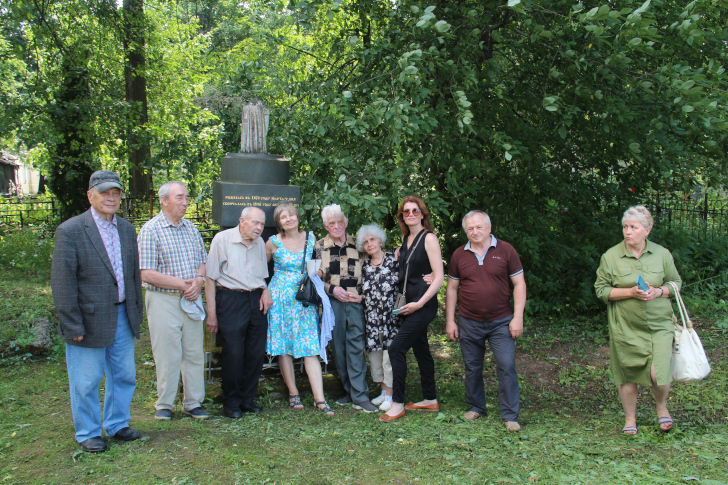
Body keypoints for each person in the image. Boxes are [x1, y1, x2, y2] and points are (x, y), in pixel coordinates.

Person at [51, 170, 144, 453]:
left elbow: (131, 276)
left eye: (115, 192)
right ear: (90, 195)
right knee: (86, 379)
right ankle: (89, 432)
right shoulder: (71, 230)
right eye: (104, 192)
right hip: (88, 319)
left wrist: (136, 312)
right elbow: (63, 282)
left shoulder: (127, 229)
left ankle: (117, 423)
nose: (111, 197)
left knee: (124, 374)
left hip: (122, 316)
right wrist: (72, 324)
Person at [595, 205, 681, 435]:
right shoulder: (611, 256)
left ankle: (661, 406)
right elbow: (601, 291)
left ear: (647, 230)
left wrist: (658, 292)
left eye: (634, 227)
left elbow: (676, 283)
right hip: (625, 326)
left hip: (660, 324)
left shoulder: (662, 254)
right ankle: (630, 418)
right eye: (625, 227)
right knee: (627, 373)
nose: (628, 232)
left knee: (658, 374)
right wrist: (630, 293)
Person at [445, 210, 526, 431]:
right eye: (470, 228)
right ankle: (476, 406)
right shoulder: (459, 255)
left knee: (506, 365)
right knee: (472, 366)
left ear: (489, 228)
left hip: (501, 320)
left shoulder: (506, 250)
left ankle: (510, 416)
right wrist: (450, 321)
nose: (475, 232)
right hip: (469, 321)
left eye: (479, 227)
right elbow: (452, 289)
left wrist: (517, 317)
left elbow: (519, 284)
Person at [138, 181, 209, 421]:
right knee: (167, 354)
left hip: (191, 299)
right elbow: (146, 273)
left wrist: (199, 280)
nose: (185, 202)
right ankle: (164, 404)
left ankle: (193, 402)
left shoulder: (191, 228)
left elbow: (203, 261)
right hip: (163, 300)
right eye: (179, 197)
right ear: (164, 200)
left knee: (194, 352)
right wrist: (182, 285)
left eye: (186, 197)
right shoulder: (151, 230)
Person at [380, 196, 445, 423]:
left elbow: (439, 277)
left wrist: (421, 302)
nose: (410, 215)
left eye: (415, 211)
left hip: (422, 305)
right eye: (406, 212)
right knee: (422, 352)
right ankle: (429, 399)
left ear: (423, 214)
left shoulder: (430, 239)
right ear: (402, 217)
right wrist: (399, 252)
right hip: (407, 305)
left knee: (396, 349)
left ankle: (397, 403)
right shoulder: (405, 239)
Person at [205, 207, 273, 418]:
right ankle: (231, 402)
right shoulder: (222, 239)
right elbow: (210, 278)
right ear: (242, 221)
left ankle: (247, 400)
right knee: (234, 352)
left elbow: (262, 275)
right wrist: (212, 314)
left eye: (262, 224)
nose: (259, 228)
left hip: (256, 300)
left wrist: (265, 290)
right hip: (231, 299)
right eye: (255, 223)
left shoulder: (260, 242)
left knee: (255, 352)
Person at [265, 204, 332, 415]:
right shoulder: (272, 243)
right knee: (284, 346)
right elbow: (259, 268)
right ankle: (293, 393)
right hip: (279, 299)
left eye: (291, 215)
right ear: (278, 222)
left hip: (304, 298)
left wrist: (320, 271)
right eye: (283, 217)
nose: (288, 219)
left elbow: (324, 263)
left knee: (309, 345)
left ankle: (319, 398)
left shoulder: (312, 239)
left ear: (298, 217)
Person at [314, 204, 377, 412]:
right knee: (338, 348)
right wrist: (332, 289)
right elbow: (313, 279)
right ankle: (349, 391)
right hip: (332, 301)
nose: (337, 226)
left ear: (346, 223)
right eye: (332, 223)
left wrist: (361, 297)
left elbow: (372, 271)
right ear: (325, 225)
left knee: (356, 345)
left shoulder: (358, 245)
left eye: (340, 222)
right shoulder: (319, 246)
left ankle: (361, 395)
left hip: (355, 300)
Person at [356, 224, 400, 412]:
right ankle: (383, 391)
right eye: (365, 242)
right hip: (372, 319)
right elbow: (362, 293)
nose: (369, 244)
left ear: (380, 241)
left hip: (391, 318)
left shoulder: (394, 260)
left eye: (372, 239)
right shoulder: (364, 265)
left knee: (388, 357)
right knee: (375, 356)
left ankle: (391, 394)